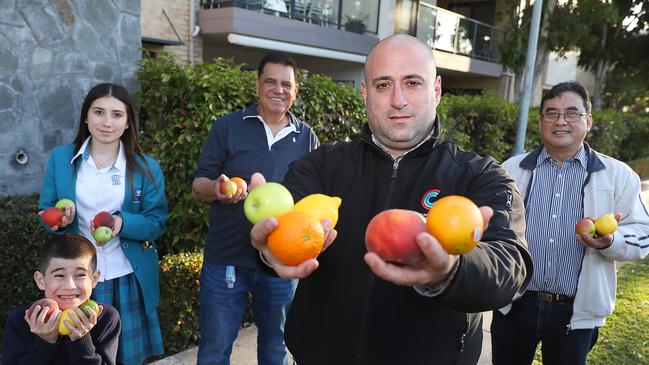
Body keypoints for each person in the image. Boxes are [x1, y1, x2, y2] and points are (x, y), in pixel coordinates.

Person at [248, 34, 533, 365]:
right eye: (383, 85)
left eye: (412, 83)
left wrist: (450, 270)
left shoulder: (479, 175)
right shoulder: (322, 166)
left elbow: (510, 266)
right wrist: (269, 249)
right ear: (365, 93)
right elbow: (279, 230)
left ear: (436, 90)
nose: (398, 100)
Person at [491, 81, 649, 365]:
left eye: (572, 113)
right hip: (515, 303)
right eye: (551, 113)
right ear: (540, 122)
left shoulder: (618, 175)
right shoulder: (511, 169)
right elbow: (493, 227)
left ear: (588, 120)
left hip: (575, 312)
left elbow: (642, 234)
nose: (561, 121)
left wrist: (611, 241)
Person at [192, 51, 318, 365]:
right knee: (214, 351)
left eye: (286, 84)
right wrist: (219, 190)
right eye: (270, 82)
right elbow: (199, 185)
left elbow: (312, 198)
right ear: (258, 85)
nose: (279, 89)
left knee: (276, 350)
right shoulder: (228, 127)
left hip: (280, 261)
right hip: (227, 259)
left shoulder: (307, 138)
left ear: (296, 90)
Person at [38, 83, 168, 365]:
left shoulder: (146, 167)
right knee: (79, 356)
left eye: (117, 115)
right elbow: (45, 211)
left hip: (127, 274)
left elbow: (157, 222)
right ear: (86, 117)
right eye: (98, 112)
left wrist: (121, 224)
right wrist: (59, 220)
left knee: (127, 358)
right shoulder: (62, 159)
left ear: (128, 123)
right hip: (78, 279)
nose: (107, 122)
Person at [2, 233, 121, 365]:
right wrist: (45, 343)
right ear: (41, 281)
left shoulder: (106, 318)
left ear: (94, 279)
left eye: (80, 275)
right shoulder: (20, 320)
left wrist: (81, 340)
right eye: (59, 275)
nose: (70, 286)